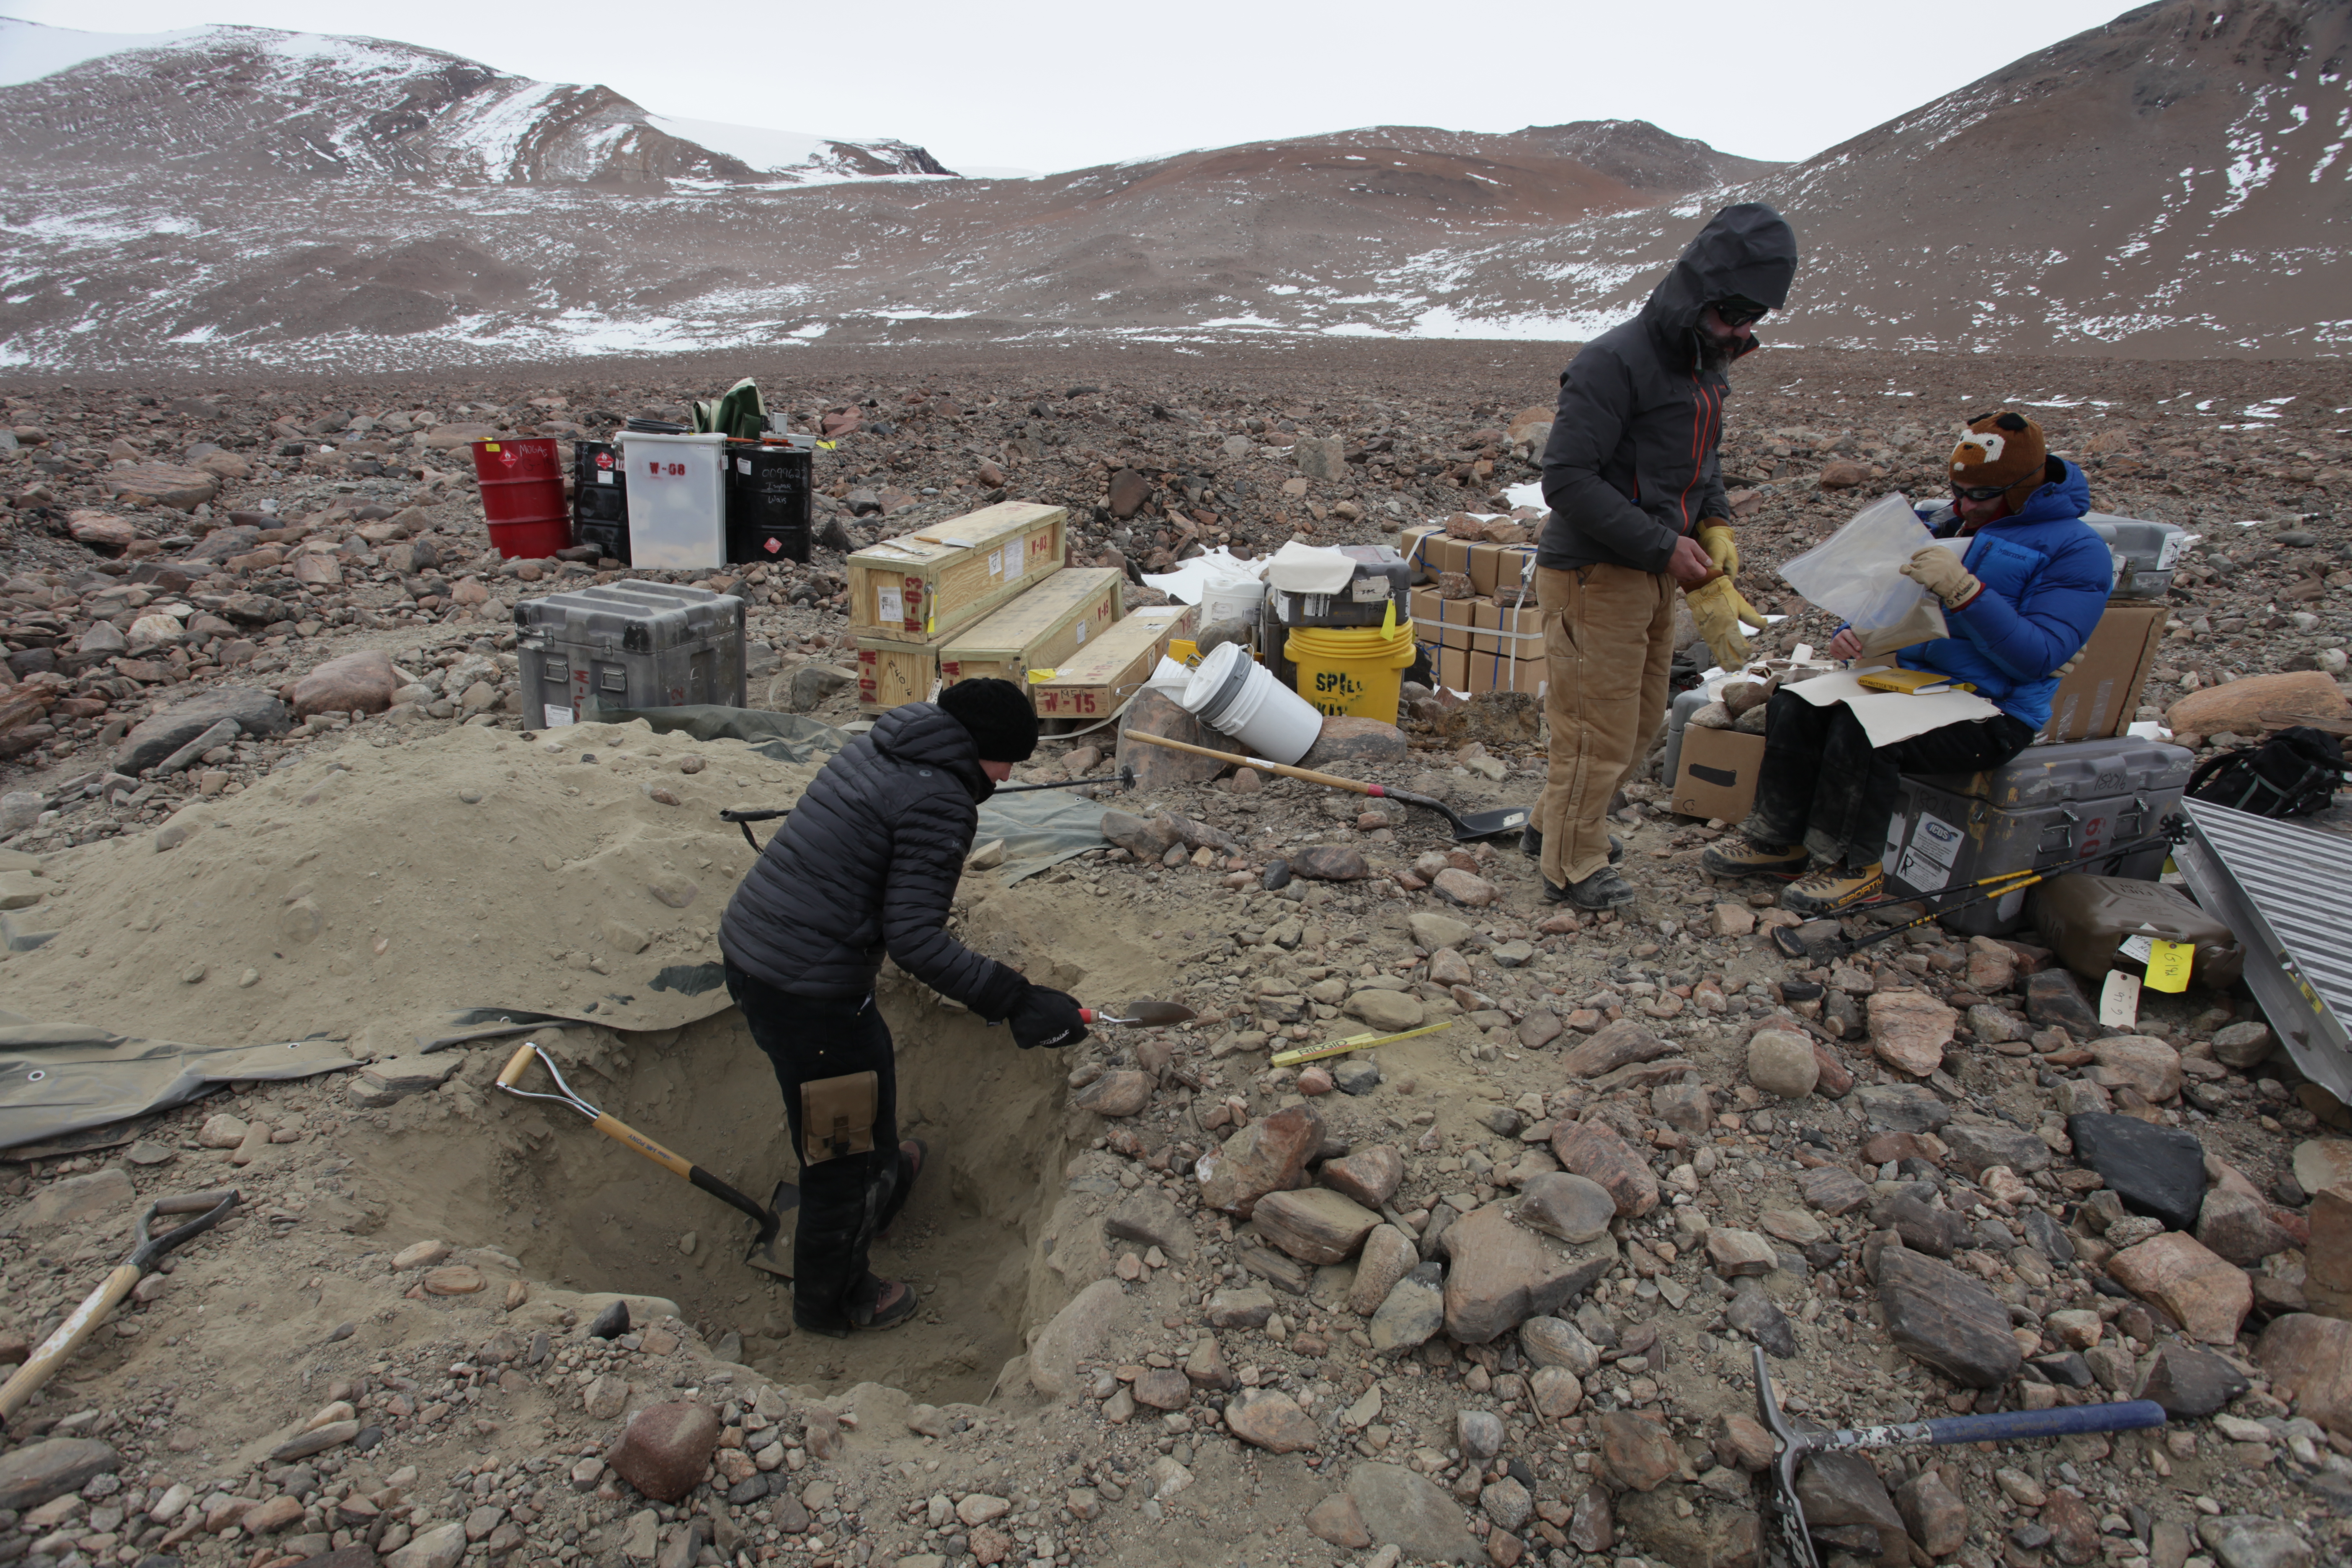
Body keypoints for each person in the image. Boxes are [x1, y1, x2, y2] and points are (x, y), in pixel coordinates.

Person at [717, 678, 1089, 1336]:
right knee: (842, 1153)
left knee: (869, 1071)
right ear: (982, 749)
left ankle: (881, 1183)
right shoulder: (940, 800)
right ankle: (834, 1301)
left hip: (757, 952)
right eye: (1007, 762)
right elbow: (915, 939)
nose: (1005, 779)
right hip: (808, 994)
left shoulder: (886, 741)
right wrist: (1016, 1000)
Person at [1702, 411, 2113, 913]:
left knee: (1863, 730)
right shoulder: (1948, 525)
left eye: (1980, 495)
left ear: (2025, 488)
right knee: (1795, 704)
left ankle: (1855, 866)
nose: (1964, 505)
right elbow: (1885, 600)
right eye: (1957, 491)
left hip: (1995, 713)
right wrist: (1853, 633)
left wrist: (1966, 592)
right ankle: (1779, 841)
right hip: (1916, 686)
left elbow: (2039, 657)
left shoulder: (2078, 551)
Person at [1529, 201, 1799, 911]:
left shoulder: (1704, 368)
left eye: (1752, 319)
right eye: (1730, 314)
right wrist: (1662, 543)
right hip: (1593, 573)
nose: (1740, 331)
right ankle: (1571, 866)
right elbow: (1565, 480)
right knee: (1596, 728)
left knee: (1642, 721)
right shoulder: (1614, 361)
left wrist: (1715, 523)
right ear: (1696, 293)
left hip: (1654, 572)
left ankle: (1550, 825)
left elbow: (1699, 462)